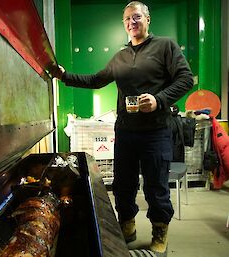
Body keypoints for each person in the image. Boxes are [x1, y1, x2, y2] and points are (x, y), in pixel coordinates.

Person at [51, 1, 193, 254]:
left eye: (137, 17)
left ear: (147, 19)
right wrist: (64, 76)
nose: (132, 22)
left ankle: (160, 231)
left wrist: (158, 100)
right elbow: (96, 80)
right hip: (126, 132)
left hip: (156, 132)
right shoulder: (121, 56)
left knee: (156, 186)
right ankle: (127, 227)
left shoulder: (165, 47)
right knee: (123, 185)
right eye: (127, 19)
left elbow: (185, 79)